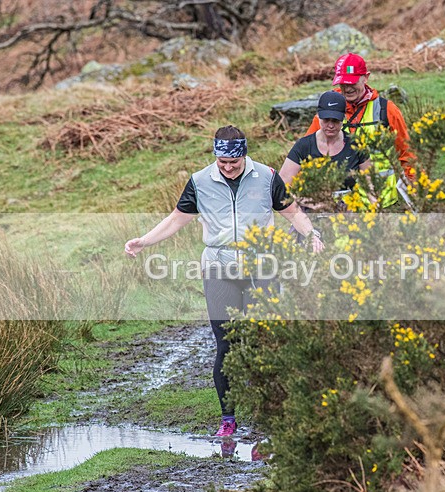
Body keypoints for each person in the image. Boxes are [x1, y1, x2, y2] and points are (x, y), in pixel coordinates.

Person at [124, 125, 324, 438]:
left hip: (262, 265)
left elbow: (291, 211)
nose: (228, 168)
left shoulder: (267, 177)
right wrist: (145, 242)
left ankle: (267, 417)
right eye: (222, 162)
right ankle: (228, 418)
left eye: (234, 162)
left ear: (244, 155)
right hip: (218, 267)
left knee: (264, 341)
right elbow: (178, 217)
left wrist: (311, 232)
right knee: (226, 344)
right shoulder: (200, 181)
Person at [305, 53, 415, 205]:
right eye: (343, 83)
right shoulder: (326, 112)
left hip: (381, 205)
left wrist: (416, 193)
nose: (348, 88)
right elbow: (306, 155)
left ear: (366, 77)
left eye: (352, 82)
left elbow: (407, 154)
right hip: (338, 208)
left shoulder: (386, 110)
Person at [280, 90, 371, 193]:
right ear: (318, 116)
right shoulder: (304, 146)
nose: (331, 125)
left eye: (336, 120)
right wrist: (302, 203)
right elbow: (283, 183)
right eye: (326, 120)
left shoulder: (356, 144)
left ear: (344, 118)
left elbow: (370, 184)